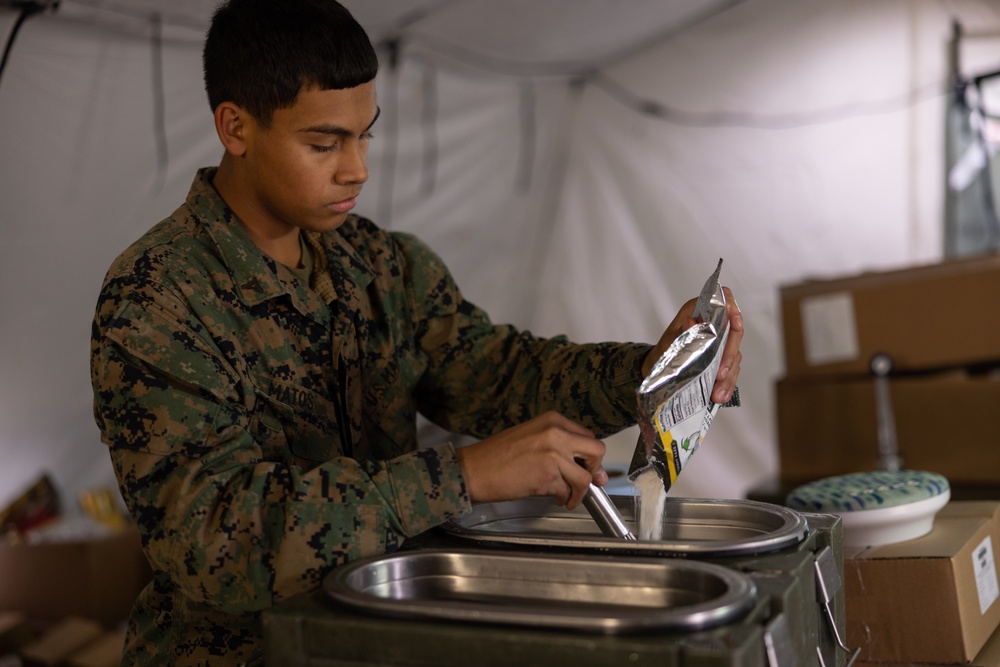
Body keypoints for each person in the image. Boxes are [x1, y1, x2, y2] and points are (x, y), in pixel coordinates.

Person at [89, 0, 743, 664]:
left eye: (364, 134)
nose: (357, 169)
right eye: (324, 143)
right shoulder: (156, 297)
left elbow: (496, 372)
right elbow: (212, 537)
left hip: (380, 637)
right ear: (235, 127)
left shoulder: (378, 264)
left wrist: (653, 372)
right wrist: (460, 476)